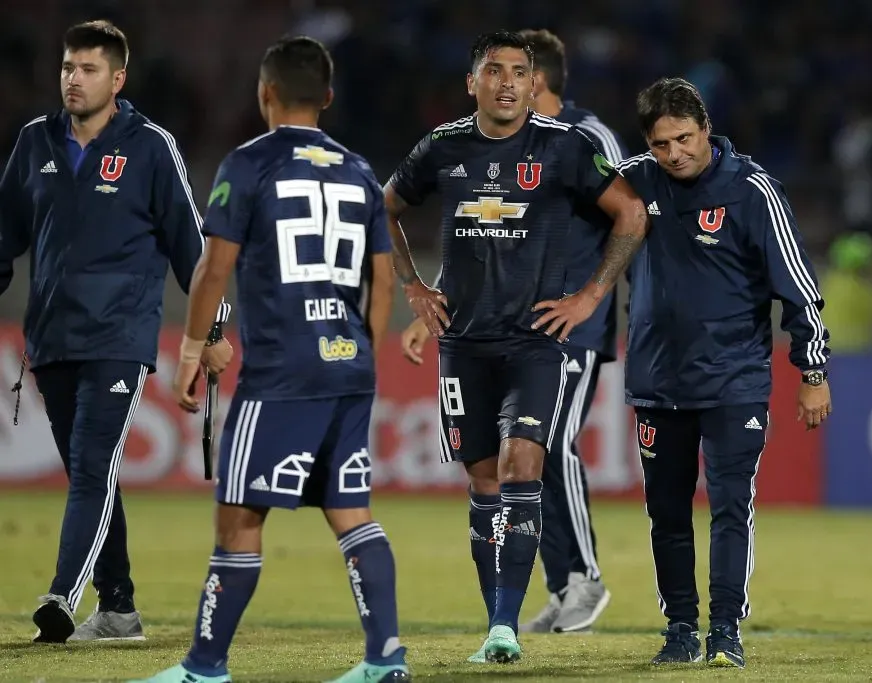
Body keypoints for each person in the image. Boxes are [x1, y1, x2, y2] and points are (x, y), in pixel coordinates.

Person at [131, 36, 410, 683]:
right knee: (351, 512)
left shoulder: (250, 163)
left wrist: (193, 348)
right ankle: (385, 656)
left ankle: (204, 667)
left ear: (265, 94)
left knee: (238, 517)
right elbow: (385, 280)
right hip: (351, 364)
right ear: (329, 97)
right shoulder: (360, 170)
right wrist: (361, 353)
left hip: (283, 369)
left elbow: (213, 267)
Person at [384, 30, 647, 663]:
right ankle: (496, 621)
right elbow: (383, 206)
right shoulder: (441, 149)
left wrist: (589, 297)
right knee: (481, 482)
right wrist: (415, 288)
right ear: (471, 82)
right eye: (493, 70)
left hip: (536, 342)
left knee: (525, 461)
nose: (506, 81)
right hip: (464, 345)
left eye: (518, 71)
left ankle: (511, 622)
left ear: (536, 84)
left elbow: (632, 214)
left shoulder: (565, 148)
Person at [0, 19, 232, 644]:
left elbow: (194, 247)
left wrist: (213, 327)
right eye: (68, 68)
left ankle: (62, 595)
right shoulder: (34, 142)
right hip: (49, 340)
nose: (74, 80)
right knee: (89, 475)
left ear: (118, 77)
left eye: (89, 69)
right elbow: (4, 238)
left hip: (121, 336)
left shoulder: (151, 146)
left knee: (93, 460)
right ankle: (120, 609)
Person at [615, 78, 832, 668]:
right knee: (666, 512)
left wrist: (812, 370)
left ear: (705, 128)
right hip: (658, 380)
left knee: (732, 506)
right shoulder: (633, 182)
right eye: (662, 144)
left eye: (684, 138)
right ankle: (681, 629)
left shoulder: (752, 191)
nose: (675, 153)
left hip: (734, 381)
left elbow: (800, 288)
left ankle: (725, 631)